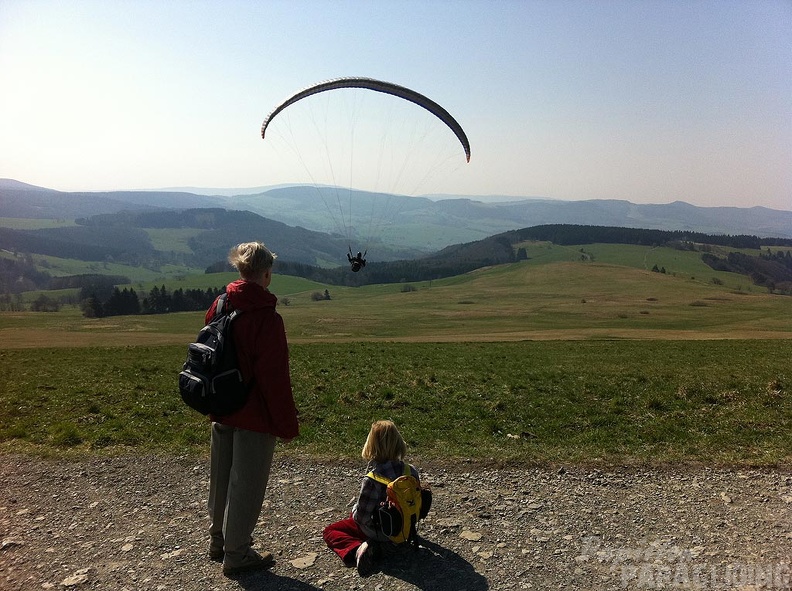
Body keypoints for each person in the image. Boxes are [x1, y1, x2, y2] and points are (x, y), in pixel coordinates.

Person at [206, 241, 299, 576]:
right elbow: (275, 380)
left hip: (220, 405)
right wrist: (286, 425)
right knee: (246, 485)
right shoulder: (267, 319)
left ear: (240, 270)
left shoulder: (219, 304)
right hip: (254, 415)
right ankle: (237, 554)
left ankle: (218, 541)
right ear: (267, 273)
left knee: (220, 477)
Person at [322, 420, 421, 576]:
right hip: (405, 527)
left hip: (381, 531)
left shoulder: (373, 479)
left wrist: (354, 510)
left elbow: (362, 517)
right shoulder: (411, 471)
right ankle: (382, 541)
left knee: (331, 530)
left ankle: (358, 549)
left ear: (371, 445)